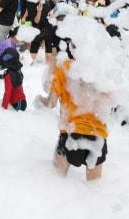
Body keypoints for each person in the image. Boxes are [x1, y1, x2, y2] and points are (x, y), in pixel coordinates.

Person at [37, 48, 110, 181]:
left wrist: (40, 100)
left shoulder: (64, 67)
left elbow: (51, 103)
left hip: (70, 133)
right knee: (94, 189)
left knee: (56, 181)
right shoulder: (105, 71)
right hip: (97, 136)